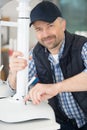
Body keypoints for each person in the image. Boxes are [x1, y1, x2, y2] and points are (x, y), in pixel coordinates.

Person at [8, 1, 87, 130]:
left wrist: (55, 87)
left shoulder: (82, 45)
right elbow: (16, 88)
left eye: (50, 26)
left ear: (63, 25)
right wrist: (13, 72)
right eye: (39, 29)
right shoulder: (35, 54)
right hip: (61, 123)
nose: (45, 34)